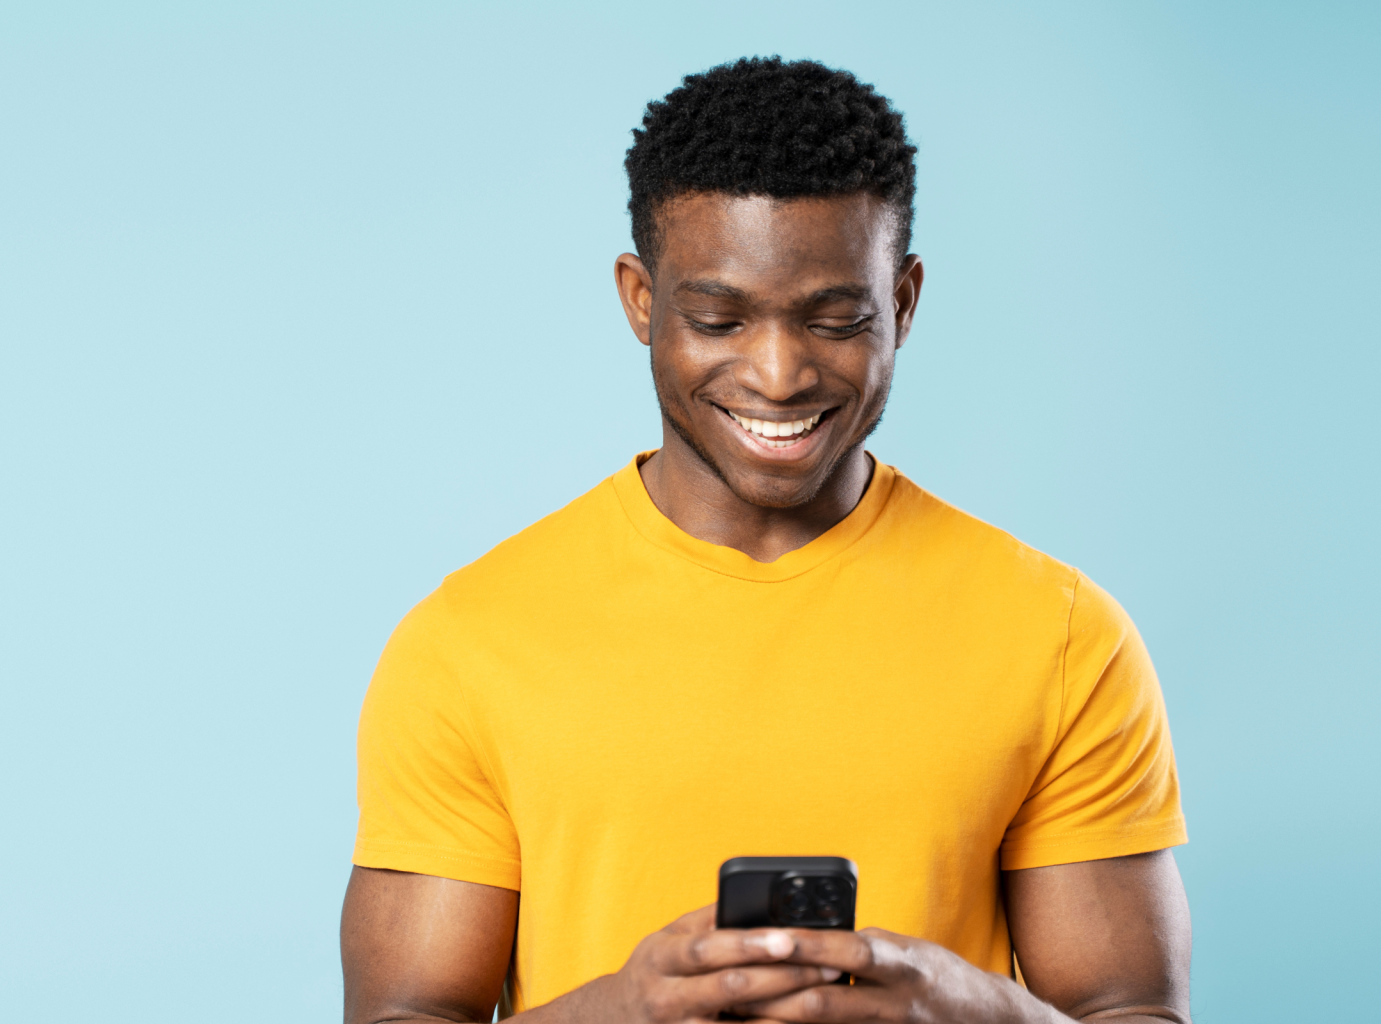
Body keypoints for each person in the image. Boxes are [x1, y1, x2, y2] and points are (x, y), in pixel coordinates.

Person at [340, 56, 1190, 1024]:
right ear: (640, 300)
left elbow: (1135, 1010)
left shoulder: (1063, 637)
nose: (780, 374)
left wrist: (958, 1008)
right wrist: (625, 1010)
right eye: (718, 318)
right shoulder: (468, 645)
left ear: (903, 304)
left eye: (835, 319)